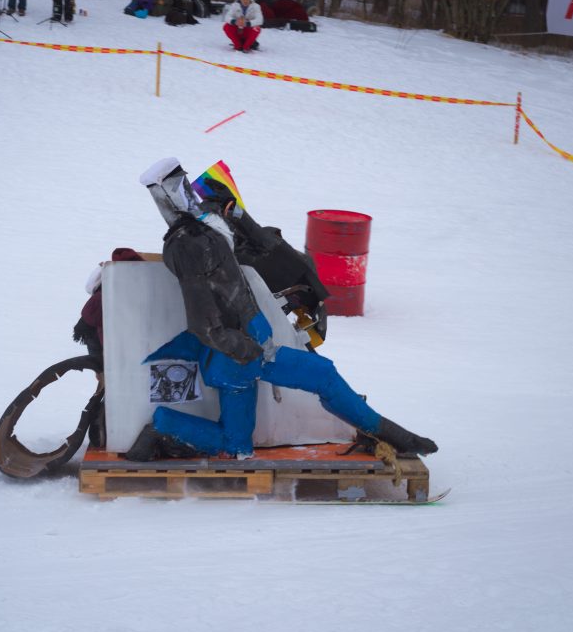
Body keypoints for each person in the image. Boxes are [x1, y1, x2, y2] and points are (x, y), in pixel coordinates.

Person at [125, 158, 438, 462]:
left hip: (240, 352)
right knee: (324, 375)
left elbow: (261, 246)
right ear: (163, 196)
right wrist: (245, 349)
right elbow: (202, 320)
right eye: (176, 187)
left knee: (238, 447)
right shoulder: (186, 244)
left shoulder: (205, 225)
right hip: (240, 354)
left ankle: (165, 424)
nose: (187, 193)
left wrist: (238, 212)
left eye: (184, 182)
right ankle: (393, 435)